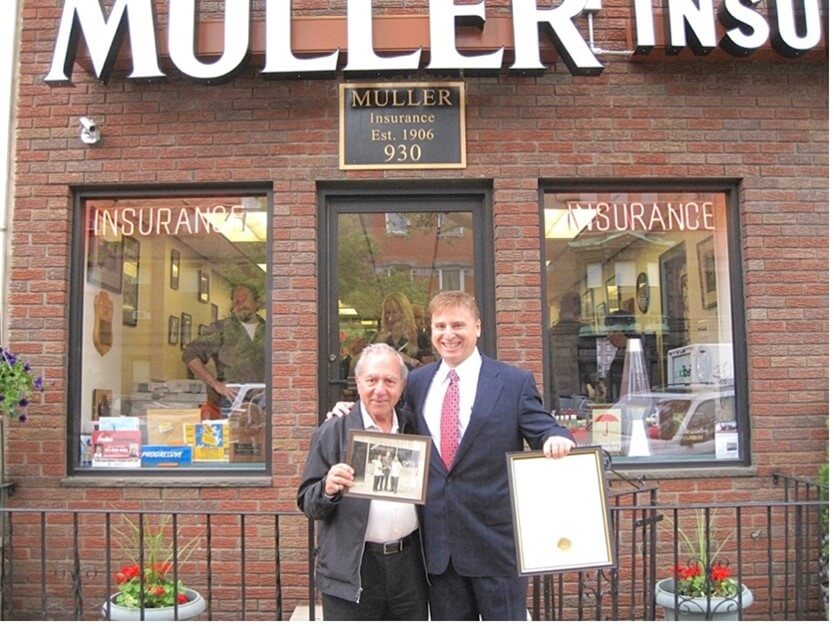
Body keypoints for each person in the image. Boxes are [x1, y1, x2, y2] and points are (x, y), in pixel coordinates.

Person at [329, 291, 575, 620]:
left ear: (477, 327)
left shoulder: (513, 383)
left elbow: (544, 428)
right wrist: (352, 410)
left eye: (458, 325)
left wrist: (556, 438)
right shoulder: (416, 383)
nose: (449, 334)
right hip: (440, 553)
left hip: (496, 549)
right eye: (440, 326)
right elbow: (387, 415)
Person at [297, 343, 428, 620]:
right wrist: (327, 489)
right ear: (358, 383)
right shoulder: (333, 432)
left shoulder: (414, 428)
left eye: (389, 381)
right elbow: (308, 502)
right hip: (353, 570)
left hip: (409, 568)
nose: (380, 390)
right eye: (371, 380)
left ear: (402, 386)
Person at [182, 284, 265, 418]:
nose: (239, 304)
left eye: (244, 299)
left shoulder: (270, 330)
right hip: (232, 400)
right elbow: (190, 354)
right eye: (235, 300)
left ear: (257, 303)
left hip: (265, 400)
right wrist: (215, 384)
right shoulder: (221, 329)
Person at [549, 290, 596, 414]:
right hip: (577, 395)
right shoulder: (584, 331)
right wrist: (597, 386)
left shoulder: (552, 333)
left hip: (556, 393)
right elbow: (589, 366)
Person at [377, 292, 432, 369]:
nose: (390, 318)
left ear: (404, 313)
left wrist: (411, 361)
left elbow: (431, 369)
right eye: (388, 313)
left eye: (395, 312)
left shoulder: (419, 337)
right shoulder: (385, 340)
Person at [603, 309, 636, 403]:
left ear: (627, 332)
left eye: (613, 331)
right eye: (608, 332)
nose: (609, 336)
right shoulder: (620, 352)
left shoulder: (635, 354)